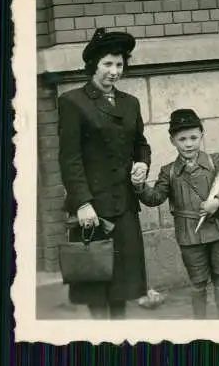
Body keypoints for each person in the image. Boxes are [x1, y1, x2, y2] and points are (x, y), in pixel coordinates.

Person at [58, 28, 151, 319]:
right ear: (93, 65)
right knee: (97, 288)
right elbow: (69, 159)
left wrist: (142, 164)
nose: (114, 71)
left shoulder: (130, 103)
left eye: (120, 64)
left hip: (123, 206)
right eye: (108, 64)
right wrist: (82, 203)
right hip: (94, 209)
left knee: (121, 289)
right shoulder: (73, 102)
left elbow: (141, 144)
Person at [133, 109, 219, 319]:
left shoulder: (215, 161)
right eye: (182, 139)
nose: (189, 144)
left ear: (202, 134)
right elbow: (155, 198)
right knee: (198, 282)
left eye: (193, 137)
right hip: (189, 235)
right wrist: (139, 187)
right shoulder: (169, 171)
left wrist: (218, 202)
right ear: (172, 140)